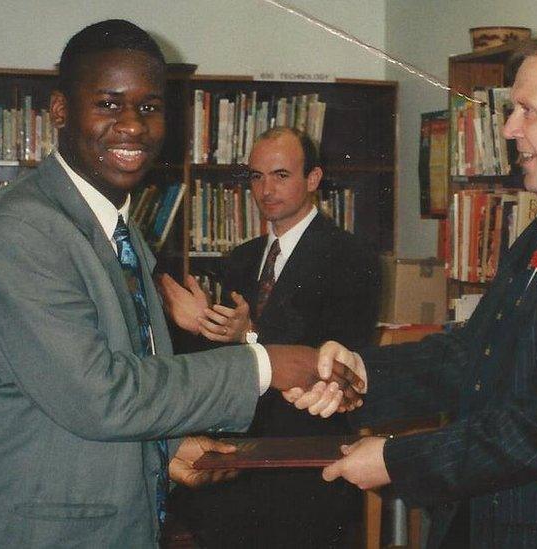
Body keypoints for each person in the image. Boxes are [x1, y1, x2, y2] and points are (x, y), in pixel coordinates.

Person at [0, 20, 360, 548]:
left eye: (149, 108)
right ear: (60, 110)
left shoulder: (117, 229)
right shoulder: (20, 231)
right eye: (108, 104)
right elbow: (98, 394)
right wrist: (266, 364)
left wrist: (168, 447)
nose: (132, 125)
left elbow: (113, 381)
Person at [289, 26, 537, 548]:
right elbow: (479, 353)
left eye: (529, 111)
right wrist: (364, 373)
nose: (508, 130)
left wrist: (396, 460)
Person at [158, 127, 380, 547]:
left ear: (313, 179)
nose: (265, 189)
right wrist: (197, 323)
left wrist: (251, 333)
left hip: (305, 464)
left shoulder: (352, 258)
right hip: (235, 458)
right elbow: (216, 360)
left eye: (280, 175)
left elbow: (335, 363)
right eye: (256, 177)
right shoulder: (240, 259)